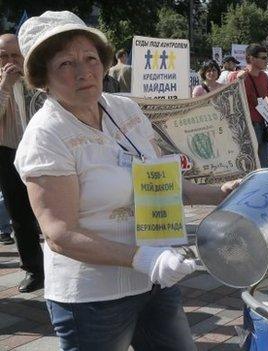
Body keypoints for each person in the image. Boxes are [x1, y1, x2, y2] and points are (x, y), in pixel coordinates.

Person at [16, 11, 240, 350]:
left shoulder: (125, 110)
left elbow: (160, 184)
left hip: (154, 284)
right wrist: (146, 259)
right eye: (65, 64)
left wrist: (219, 194)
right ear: (42, 77)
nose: (83, 71)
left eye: (90, 58)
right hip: (94, 299)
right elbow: (59, 234)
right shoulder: (47, 136)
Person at [0, 33, 44, 292]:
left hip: (42, 151)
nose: (9, 61)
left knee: (51, 208)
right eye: (3, 56)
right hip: (8, 153)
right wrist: (6, 84)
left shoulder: (36, 79)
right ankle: (34, 269)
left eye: (14, 55)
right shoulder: (2, 81)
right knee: (19, 215)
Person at [230, 44, 268, 168]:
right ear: (252, 59)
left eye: (267, 58)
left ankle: (263, 185)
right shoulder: (239, 76)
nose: (267, 61)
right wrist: (238, 80)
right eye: (263, 58)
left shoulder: (264, 76)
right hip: (245, 125)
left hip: (261, 123)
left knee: (263, 162)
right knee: (248, 163)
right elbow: (230, 96)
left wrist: (265, 109)